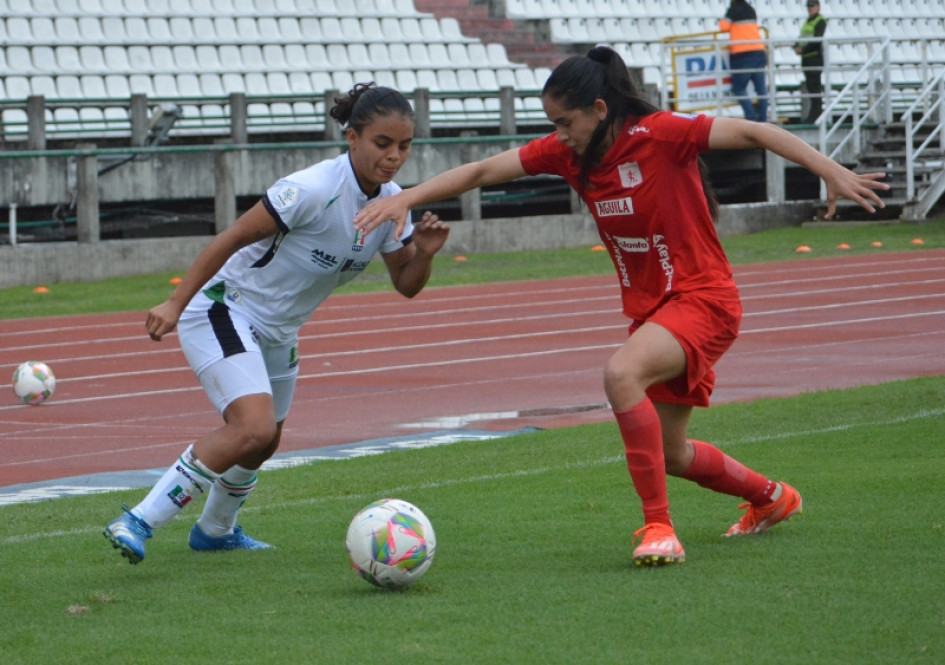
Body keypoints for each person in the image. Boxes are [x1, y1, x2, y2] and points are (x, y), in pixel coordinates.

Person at [353, 47, 888, 567]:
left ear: (599, 109)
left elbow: (757, 131)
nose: (559, 135)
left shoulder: (661, 134)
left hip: (703, 299)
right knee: (671, 454)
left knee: (620, 374)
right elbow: (481, 172)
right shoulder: (569, 154)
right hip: (656, 314)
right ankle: (771, 498)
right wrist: (406, 198)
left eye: (565, 123)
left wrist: (830, 170)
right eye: (553, 125)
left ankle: (658, 529)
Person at [103, 83, 450, 564]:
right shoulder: (311, 189)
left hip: (279, 331)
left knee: (264, 442)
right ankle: (139, 520)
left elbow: (406, 284)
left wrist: (425, 254)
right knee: (252, 428)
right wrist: (175, 302)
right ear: (352, 137)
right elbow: (231, 237)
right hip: (226, 308)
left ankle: (216, 531)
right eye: (382, 143)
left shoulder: (392, 203)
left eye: (405, 146)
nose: (394, 157)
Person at [719, 0, 769, 122]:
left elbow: (723, 27)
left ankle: (751, 118)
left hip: (742, 54)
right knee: (761, 89)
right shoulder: (751, 9)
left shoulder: (733, 10)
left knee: (739, 88)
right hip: (759, 51)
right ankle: (763, 119)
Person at [795, 0, 828, 124]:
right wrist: (796, 46)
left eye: (812, 6)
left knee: (814, 88)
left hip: (814, 58)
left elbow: (816, 40)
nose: (810, 8)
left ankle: (816, 115)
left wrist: (802, 50)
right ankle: (814, 115)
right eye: (809, 6)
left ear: (818, 7)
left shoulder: (820, 21)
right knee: (811, 88)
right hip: (807, 59)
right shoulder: (808, 21)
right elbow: (802, 36)